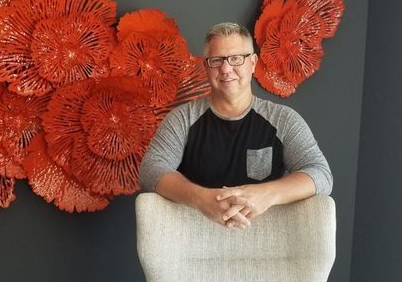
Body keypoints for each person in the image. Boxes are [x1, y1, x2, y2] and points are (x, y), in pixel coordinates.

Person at [138, 22, 332, 229]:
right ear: (206, 66)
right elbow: (151, 169)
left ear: (253, 63)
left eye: (236, 58)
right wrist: (202, 199)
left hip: (262, 235)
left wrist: (267, 194)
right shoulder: (182, 118)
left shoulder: (283, 119)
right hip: (193, 235)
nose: (226, 69)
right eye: (216, 60)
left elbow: (320, 174)